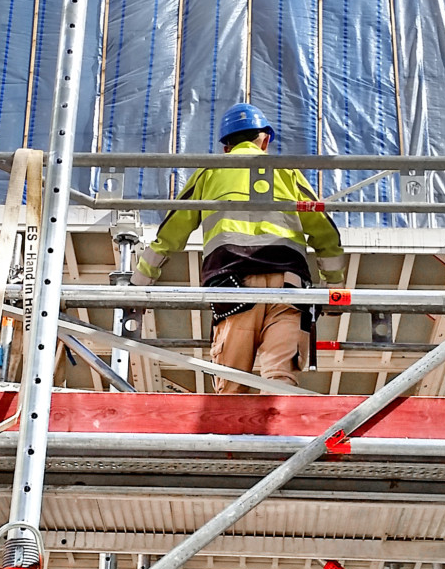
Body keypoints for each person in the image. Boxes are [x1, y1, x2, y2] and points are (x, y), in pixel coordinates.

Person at [130, 103, 346, 393]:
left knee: (231, 392)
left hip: (233, 291)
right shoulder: (286, 172)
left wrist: (139, 284)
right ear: (265, 140)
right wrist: (334, 289)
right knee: (281, 386)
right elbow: (325, 232)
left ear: (226, 147)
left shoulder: (210, 172)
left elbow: (170, 234)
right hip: (289, 289)